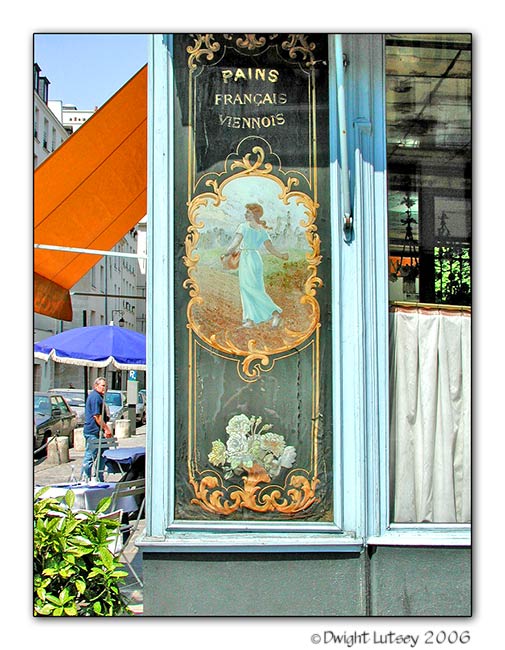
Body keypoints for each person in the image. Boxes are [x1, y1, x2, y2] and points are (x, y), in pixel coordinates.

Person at [222, 203, 289, 328]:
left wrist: (226, 254)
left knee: (249, 288)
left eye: (248, 212)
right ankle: (250, 320)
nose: (245, 214)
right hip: (256, 259)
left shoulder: (243, 227)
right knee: (253, 288)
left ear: (254, 214)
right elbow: (270, 248)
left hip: (247, 259)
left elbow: (235, 244)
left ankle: (275, 313)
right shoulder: (262, 230)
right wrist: (281, 255)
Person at [81, 376, 112, 481]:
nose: (105, 388)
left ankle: (99, 478)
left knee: (104, 454)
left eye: (106, 386)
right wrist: (106, 429)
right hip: (93, 432)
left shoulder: (99, 397)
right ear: (96, 386)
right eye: (103, 386)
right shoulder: (95, 397)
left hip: (99, 432)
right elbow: (97, 416)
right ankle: (85, 479)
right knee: (90, 456)